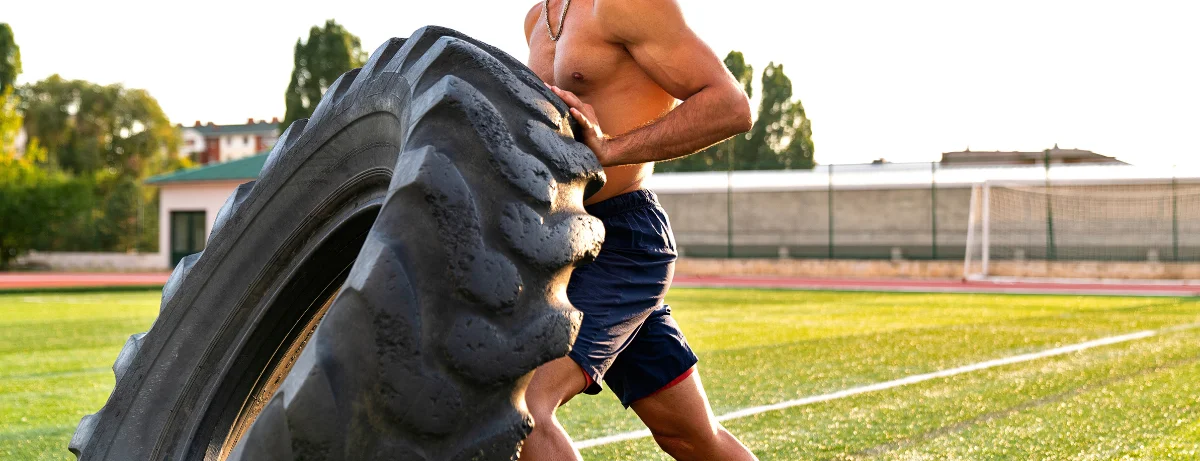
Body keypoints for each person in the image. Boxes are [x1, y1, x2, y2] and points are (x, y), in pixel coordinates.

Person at [521, 0, 758, 459]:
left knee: (522, 407)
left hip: (621, 245)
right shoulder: (537, 19)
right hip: (559, 239)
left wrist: (611, 149)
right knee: (690, 437)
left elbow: (731, 106)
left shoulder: (625, 4)